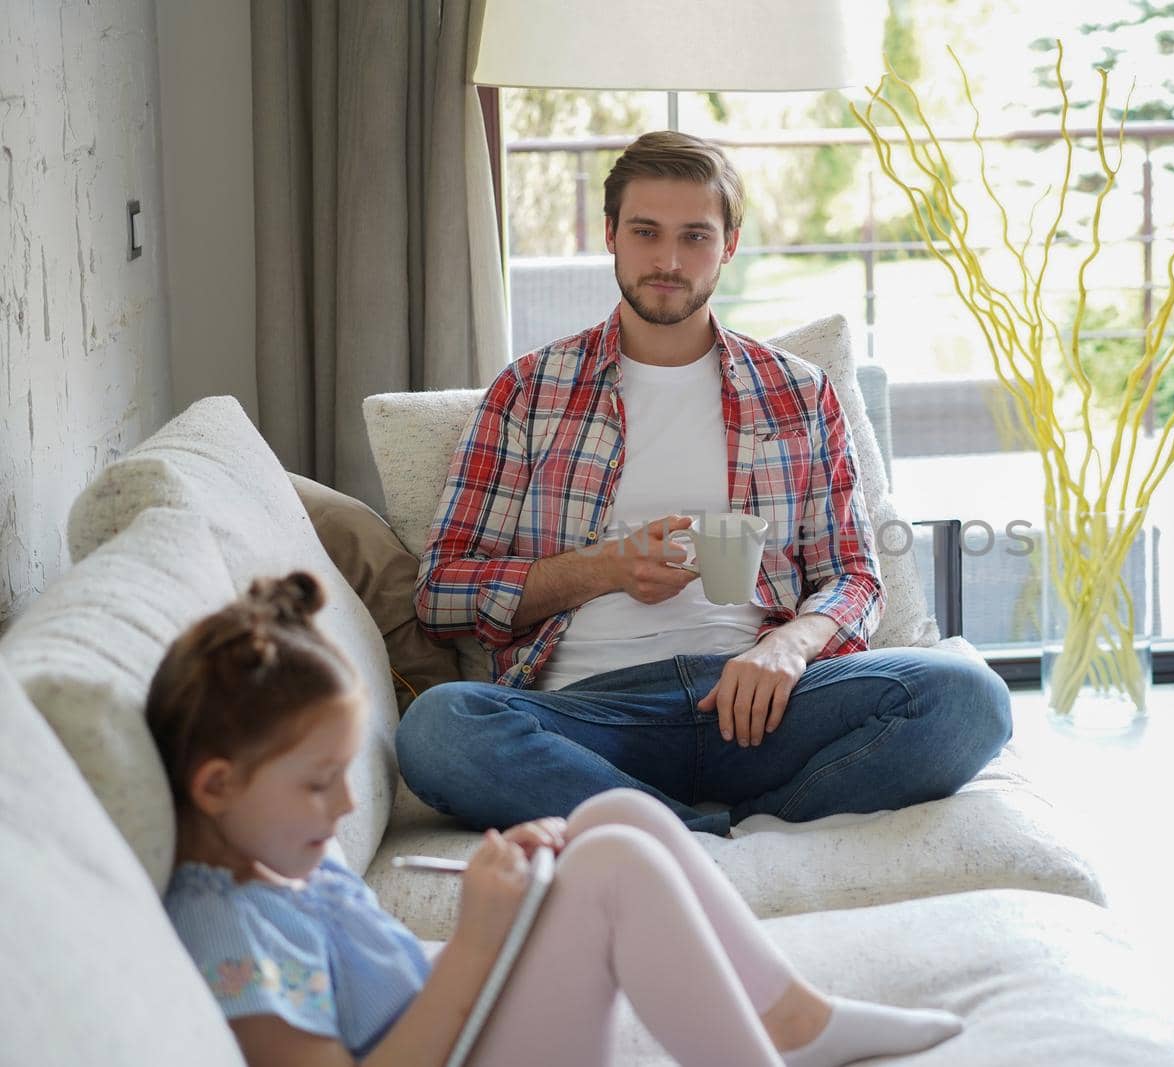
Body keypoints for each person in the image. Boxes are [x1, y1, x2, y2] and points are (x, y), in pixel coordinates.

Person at [398, 130, 1012, 838]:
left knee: (969, 697)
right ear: (610, 235)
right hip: (588, 716)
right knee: (438, 728)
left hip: (761, 705)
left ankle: (662, 830)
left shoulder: (797, 393)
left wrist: (789, 645)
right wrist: (601, 569)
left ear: (729, 242)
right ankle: (713, 835)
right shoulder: (530, 391)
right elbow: (437, 592)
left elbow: (856, 578)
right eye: (646, 232)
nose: (667, 260)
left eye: (694, 235)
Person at [148, 572, 965, 1067]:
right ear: (217, 785)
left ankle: (795, 1018)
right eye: (320, 782)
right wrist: (476, 942)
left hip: (469, 1036)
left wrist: (517, 904)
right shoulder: (228, 929)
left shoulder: (287, 858)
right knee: (613, 869)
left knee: (614, 816)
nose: (349, 804)